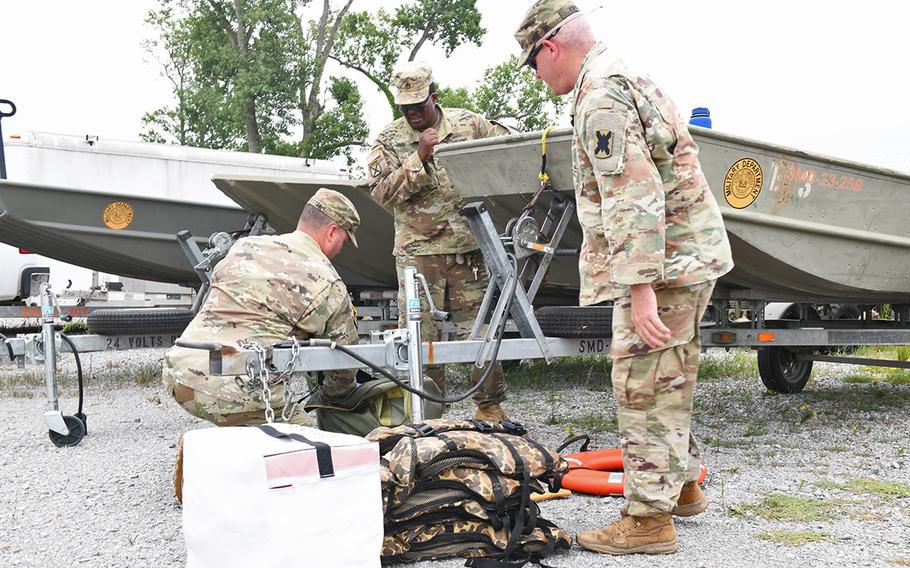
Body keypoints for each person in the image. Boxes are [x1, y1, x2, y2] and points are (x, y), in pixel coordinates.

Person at [514, 0, 734, 556]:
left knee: (641, 385)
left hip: (662, 267)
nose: (538, 79)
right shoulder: (624, 74)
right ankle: (679, 488)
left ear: (550, 47)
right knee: (671, 375)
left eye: (534, 65)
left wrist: (639, 291)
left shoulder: (600, 97)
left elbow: (634, 195)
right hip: (686, 256)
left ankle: (647, 521)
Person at [366, 61, 511, 422]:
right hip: (418, 256)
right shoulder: (390, 140)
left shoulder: (469, 124)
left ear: (435, 96)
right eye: (406, 108)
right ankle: (428, 415)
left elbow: (508, 145)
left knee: (479, 333)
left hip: (468, 252)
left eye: (419, 105)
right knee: (420, 339)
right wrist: (419, 158)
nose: (414, 113)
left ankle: (488, 408)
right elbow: (380, 193)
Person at [162, 188, 361, 427]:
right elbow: (343, 366)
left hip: (180, 372)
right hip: (232, 389)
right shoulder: (328, 282)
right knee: (314, 446)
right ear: (331, 232)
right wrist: (334, 399)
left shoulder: (245, 247)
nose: (341, 249)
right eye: (344, 241)